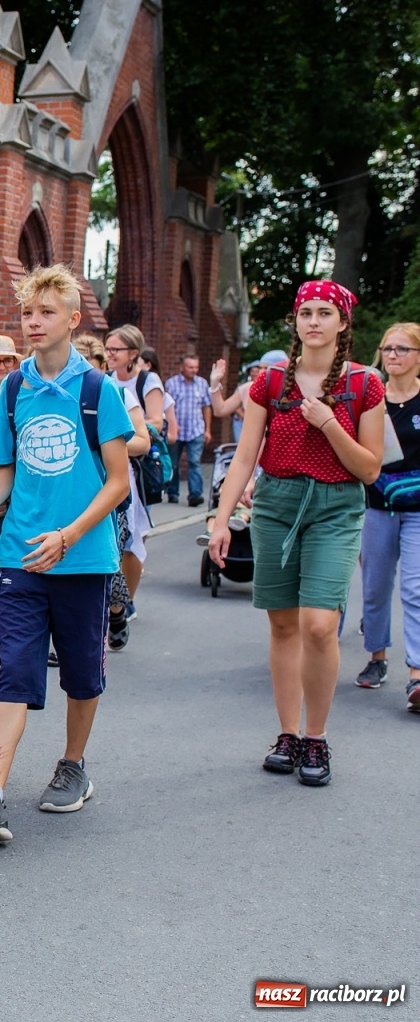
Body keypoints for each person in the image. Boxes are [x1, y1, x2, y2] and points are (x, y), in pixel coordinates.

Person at [0, 264, 132, 844]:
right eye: (28, 313)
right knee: (13, 670)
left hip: (82, 558)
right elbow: (5, 466)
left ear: (73, 321)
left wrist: (69, 535)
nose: (34, 322)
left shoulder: (99, 390)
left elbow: (118, 481)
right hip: (20, 555)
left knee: (81, 673)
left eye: (46, 312)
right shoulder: (17, 389)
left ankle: (73, 765)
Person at [209, 280, 385, 787]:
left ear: (342, 322)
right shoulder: (269, 382)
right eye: (305, 312)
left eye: (324, 313)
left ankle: (317, 736)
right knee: (283, 624)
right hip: (277, 504)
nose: (313, 321)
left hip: (336, 506)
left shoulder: (363, 385)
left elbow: (370, 469)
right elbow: (245, 457)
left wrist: (330, 423)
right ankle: (288, 733)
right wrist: (221, 521)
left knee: (318, 625)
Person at [354, 322, 420, 707]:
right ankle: (377, 657)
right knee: (376, 588)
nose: (392, 355)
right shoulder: (370, 399)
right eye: (388, 348)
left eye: (402, 349)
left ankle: (416, 673)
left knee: (415, 589)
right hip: (376, 506)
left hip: (416, 510)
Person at [75, 334, 151, 651]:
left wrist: (106, 440)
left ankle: (117, 611)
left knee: (108, 565)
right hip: (71, 490)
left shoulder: (116, 393)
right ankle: (67, 634)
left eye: (91, 371)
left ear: (103, 369)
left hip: (113, 492)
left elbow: (143, 442)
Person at [211, 350, 287, 444]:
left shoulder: (290, 393)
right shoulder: (248, 388)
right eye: (261, 368)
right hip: (251, 450)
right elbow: (220, 410)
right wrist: (214, 383)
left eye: (267, 368)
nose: (262, 372)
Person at [165, 354, 211, 505]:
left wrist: (208, 429)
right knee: (174, 463)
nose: (194, 370)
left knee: (194, 462)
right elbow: (166, 407)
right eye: (190, 367)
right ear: (182, 368)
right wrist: (172, 424)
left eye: (196, 367)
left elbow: (206, 407)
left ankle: (195, 495)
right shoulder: (171, 384)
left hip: (195, 429)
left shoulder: (202, 383)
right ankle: (173, 493)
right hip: (176, 430)